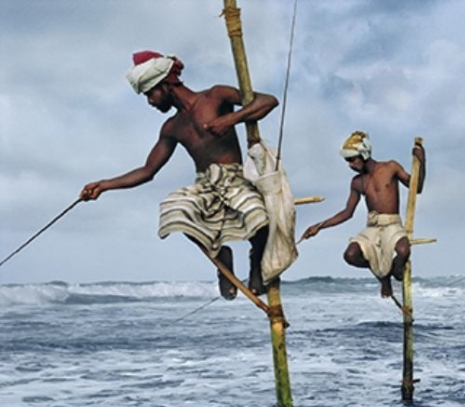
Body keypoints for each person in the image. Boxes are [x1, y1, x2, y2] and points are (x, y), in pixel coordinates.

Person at [80, 51, 279, 299]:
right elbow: (147, 171)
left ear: (166, 84)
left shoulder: (215, 96)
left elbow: (268, 101)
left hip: (236, 178)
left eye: (150, 93)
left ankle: (256, 263)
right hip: (205, 185)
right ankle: (221, 257)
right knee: (174, 210)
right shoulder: (171, 127)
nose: (150, 102)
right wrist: (104, 185)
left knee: (258, 216)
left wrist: (230, 120)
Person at [301, 131, 426, 299]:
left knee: (403, 251)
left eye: (352, 159)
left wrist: (422, 161)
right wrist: (319, 226)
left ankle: (392, 272)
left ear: (364, 154)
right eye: (347, 160)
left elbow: (416, 188)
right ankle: (383, 277)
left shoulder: (390, 167)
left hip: (392, 224)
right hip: (372, 226)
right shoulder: (357, 182)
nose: (350, 165)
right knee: (350, 255)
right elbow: (347, 213)